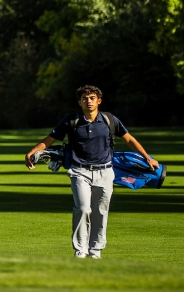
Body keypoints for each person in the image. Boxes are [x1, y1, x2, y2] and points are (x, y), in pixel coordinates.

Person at [25, 85, 159, 259]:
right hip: (79, 172)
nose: (88, 101)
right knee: (83, 209)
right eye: (85, 98)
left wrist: (147, 157)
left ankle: (95, 251)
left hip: (105, 172)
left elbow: (129, 139)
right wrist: (32, 152)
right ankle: (80, 250)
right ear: (79, 102)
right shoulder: (70, 121)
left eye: (92, 98)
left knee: (101, 212)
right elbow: (49, 140)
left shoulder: (109, 120)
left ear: (99, 101)